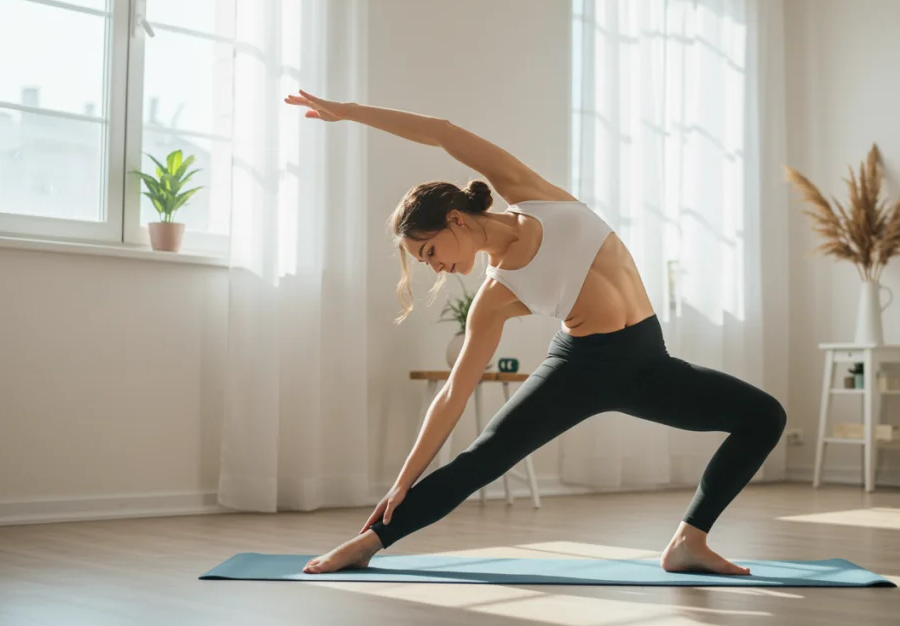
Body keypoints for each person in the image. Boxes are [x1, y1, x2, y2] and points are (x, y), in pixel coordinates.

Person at [283, 90, 786, 576]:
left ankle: (688, 541)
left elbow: (441, 132)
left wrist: (348, 112)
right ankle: (368, 544)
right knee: (484, 458)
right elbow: (454, 394)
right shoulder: (495, 296)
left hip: (649, 362)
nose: (436, 268)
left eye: (430, 253)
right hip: (581, 368)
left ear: (454, 219)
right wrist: (402, 481)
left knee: (764, 416)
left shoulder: (533, 196)